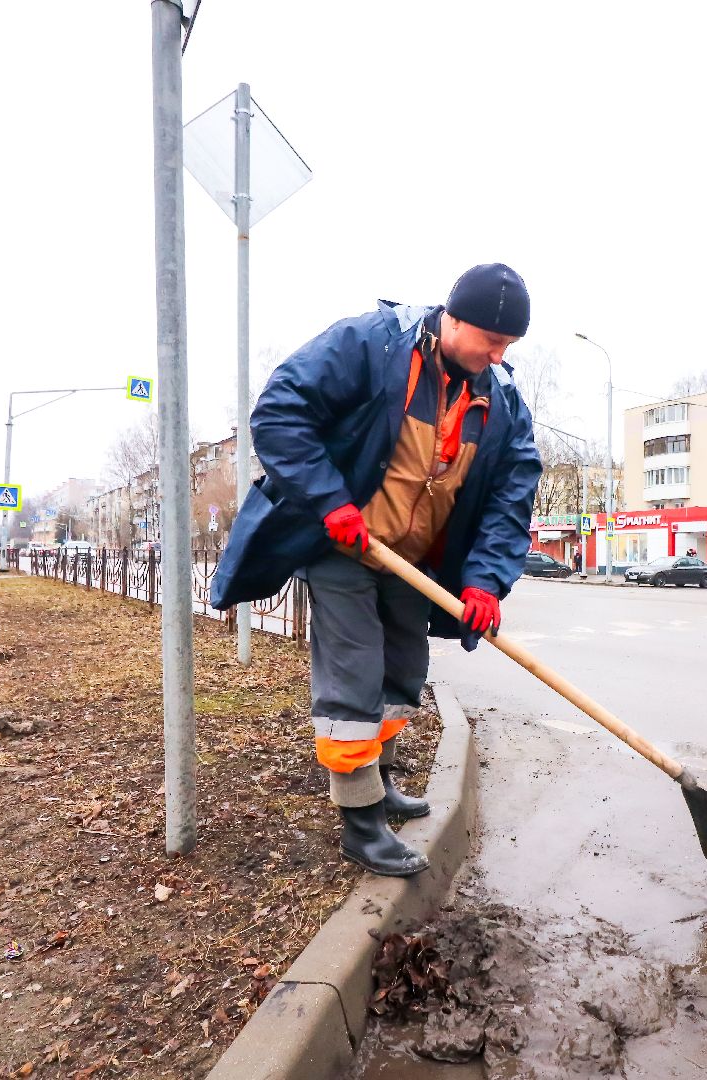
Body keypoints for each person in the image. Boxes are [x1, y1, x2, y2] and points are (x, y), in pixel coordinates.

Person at [210, 264, 541, 877]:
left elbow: (509, 498)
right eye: (492, 341)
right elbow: (281, 414)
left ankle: (378, 781)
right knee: (353, 682)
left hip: (410, 562)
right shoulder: (372, 346)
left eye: (508, 347)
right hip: (343, 547)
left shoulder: (500, 400)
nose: (498, 356)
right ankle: (361, 824)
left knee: (402, 675)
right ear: (455, 318)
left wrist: (485, 582)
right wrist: (330, 500)